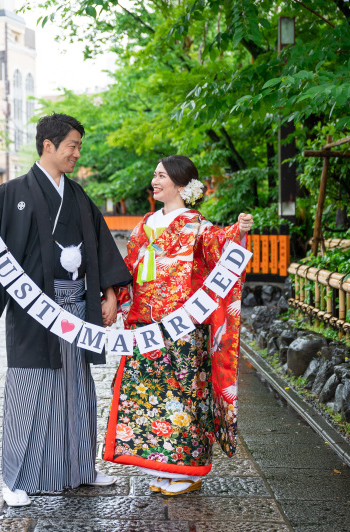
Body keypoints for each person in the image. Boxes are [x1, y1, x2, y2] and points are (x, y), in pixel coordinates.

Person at [0, 113, 131, 507]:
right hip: (34, 312)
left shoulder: (79, 197)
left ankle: (81, 469)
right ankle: (15, 478)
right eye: (72, 145)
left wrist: (108, 292)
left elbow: (102, 247)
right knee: (29, 388)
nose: (77, 153)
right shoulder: (13, 191)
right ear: (48, 146)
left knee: (77, 388)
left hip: (75, 309)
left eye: (79, 146)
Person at [102, 155, 253, 495]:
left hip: (183, 323)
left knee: (184, 395)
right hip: (144, 322)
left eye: (162, 176)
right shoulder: (145, 224)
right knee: (150, 395)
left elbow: (220, 245)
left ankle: (191, 468)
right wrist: (113, 294)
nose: (155, 181)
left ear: (182, 186)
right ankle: (164, 462)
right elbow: (129, 266)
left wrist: (238, 231)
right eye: (154, 175)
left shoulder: (197, 225)